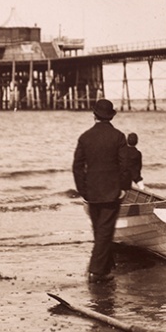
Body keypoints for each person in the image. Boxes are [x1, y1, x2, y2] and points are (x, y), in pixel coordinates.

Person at [72, 99, 131, 283]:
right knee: (105, 231)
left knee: (99, 230)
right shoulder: (119, 136)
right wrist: (124, 187)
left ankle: (104, 267)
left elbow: (77, 167)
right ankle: (96, 271)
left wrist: (83, 190)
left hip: (92, 191)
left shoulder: (85, 137)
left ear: (94, 115)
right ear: (110, 115)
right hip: (111, 191)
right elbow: (125, 165)